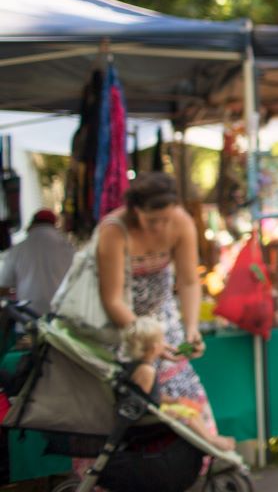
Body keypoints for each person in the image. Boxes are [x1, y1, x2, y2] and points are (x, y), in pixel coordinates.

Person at [95, 173, 218, 436]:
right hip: (121, 324)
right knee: (129, 395)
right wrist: (148, 340)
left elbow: (188, 281)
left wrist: (192, 327)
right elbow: (112, 299)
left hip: (163, 317)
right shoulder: (113, 231)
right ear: (135, 211)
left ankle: (198, 459)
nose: (160, 227)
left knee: (180, 387)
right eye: (152, 221)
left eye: (166, 219)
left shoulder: (182, 222)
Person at [122, 316, 235, 452]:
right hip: (151, 418)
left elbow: (151, 395)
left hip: (157, 410)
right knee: (188, 415)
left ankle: (210, 438)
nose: (165, 343)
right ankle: (210, 440)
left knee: (191, 410)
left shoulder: (144, 367)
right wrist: (162, 411)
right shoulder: (146, 370)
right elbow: (140, 402)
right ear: (154, 347)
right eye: (162, 340)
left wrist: (174, 400)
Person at [0, 209, 75, 315]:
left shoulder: (18, 249)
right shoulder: (68, 248)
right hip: (60, 313)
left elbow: (4, 286)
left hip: (28, 314)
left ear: (33, 223)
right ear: (54, 224)